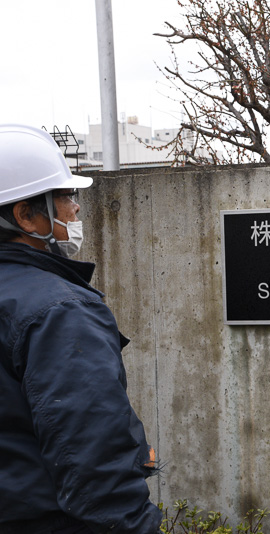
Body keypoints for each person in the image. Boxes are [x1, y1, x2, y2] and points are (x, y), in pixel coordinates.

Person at [0, 124, 162, 533]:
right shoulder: (59, 310)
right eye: (66, 195)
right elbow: (94, 459)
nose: (75, 208)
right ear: (25, 215)